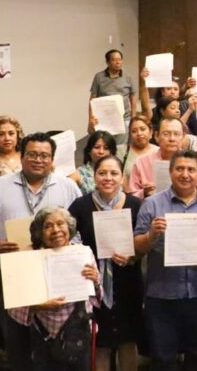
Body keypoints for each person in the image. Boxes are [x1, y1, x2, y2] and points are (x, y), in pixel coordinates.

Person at [0, 132, 83, 370]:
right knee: (16, 340)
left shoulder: (68, 187)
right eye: (32, 154)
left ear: (52, 159)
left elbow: (80, 229)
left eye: (44, 155)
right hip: (11, 274)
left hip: (55, 275)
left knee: (56, 343)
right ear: (21, 156)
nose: (38, 160)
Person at [133, 150, 197, 370]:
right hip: (162, 294)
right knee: (163, 358)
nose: (185, 174)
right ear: (170, 172)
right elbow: (137, 248)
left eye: (191, 169)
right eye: (179, 169)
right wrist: (151, 235)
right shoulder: (151, 204)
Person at [67, 155, 143, 371]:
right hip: (93, 282)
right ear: (94, 176)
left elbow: (145, 242)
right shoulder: (80, 206)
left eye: (114, 173)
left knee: (128, 340)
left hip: (128, 280)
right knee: (99, 341)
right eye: (102, 173)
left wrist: (134, 256)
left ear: (122, 177)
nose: (108, 178)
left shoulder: (136, 205)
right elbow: (68, 238)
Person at [9, 207, 101, 370]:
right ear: (40, 232)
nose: (56, 230)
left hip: (78, 333)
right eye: (48, 226)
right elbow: (14, 306)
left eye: (60, 224)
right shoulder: (28, 259)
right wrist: (37, 306)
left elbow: (98, 297)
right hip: (44, 335)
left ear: (69, 227)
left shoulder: (83, 253)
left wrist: (95, 282)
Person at [128, 117, 197, 198]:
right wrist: (144, 192)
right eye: (166, 134)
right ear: (156, 136)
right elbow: (131, 197)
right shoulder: (141, 162)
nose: (172, 139)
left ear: (184, 137)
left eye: (176, 134)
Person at [90, 49, 137, 145]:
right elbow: (92, 99)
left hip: (124, 118)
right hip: (104, 118)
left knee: (121, 146)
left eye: (120, 59)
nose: (118, 62)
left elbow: (133, 97)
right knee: (105, 145)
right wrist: (90, 119)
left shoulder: (128, 77)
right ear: (107, 62)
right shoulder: (99, 77)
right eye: (114, 60)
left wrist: (133, 117)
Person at [73, 130, 117, 194]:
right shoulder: (79, 173)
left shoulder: (117, 172)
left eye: (105, 148)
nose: (101, 152)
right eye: (97, 147)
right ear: (89, 151)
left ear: (111, 152)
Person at [122, 115, 158, 185]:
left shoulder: (159, 151)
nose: (139, 133)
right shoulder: (121, 151)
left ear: (151, 132)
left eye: (143, 129)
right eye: (134, 131)